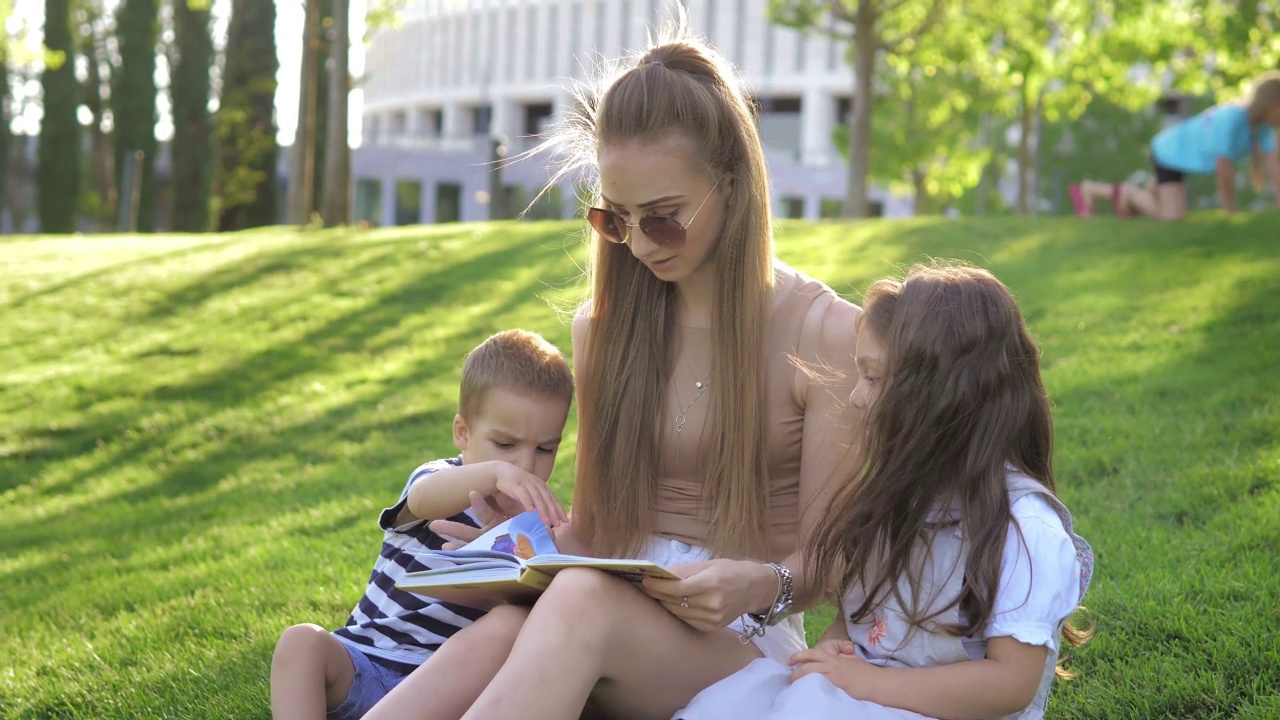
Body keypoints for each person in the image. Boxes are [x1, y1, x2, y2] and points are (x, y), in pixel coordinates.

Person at [363, 17, 861, 720]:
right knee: (513, 622)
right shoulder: (601, 331)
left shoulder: (824, 332)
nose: (639, 245)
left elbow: (831, 562)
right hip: (602, 605)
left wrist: (760, 585)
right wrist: (509, 554)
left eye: (664, 217)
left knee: (581, 604)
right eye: (616, 221)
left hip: (741, 642)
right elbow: (596, 531)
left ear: (732, 183)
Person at [675, 264, 1094, 720]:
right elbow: (855, 619)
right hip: (862, 695)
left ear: (942, 393)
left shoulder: (1022, 528)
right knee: (731, 700)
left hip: (938, 710)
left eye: (872, 377)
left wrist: (870, 682)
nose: (856, 397)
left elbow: (1010, 683)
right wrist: (832, 651)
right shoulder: (895, 504)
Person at [269, 329, 574, 720]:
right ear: (462, 433)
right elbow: (422, 500)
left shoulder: (537, 524)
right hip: (364, 661)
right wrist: (493, 473)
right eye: (504, 445)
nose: (525, 466)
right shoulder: (438, 479)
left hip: (445, 683)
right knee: (301, 642)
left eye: (544, 449)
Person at [1069, 70, 1280, 221]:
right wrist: (1232, 213)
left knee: (1150, 205)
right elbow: (1223, 171)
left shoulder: (1264, 129)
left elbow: (1275, 170)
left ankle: (1112, 193)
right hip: (1169, 154)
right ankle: (1123, 193)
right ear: (1270, 103)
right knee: (1171, 217)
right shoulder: (1231, 119)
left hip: (1186, 159)